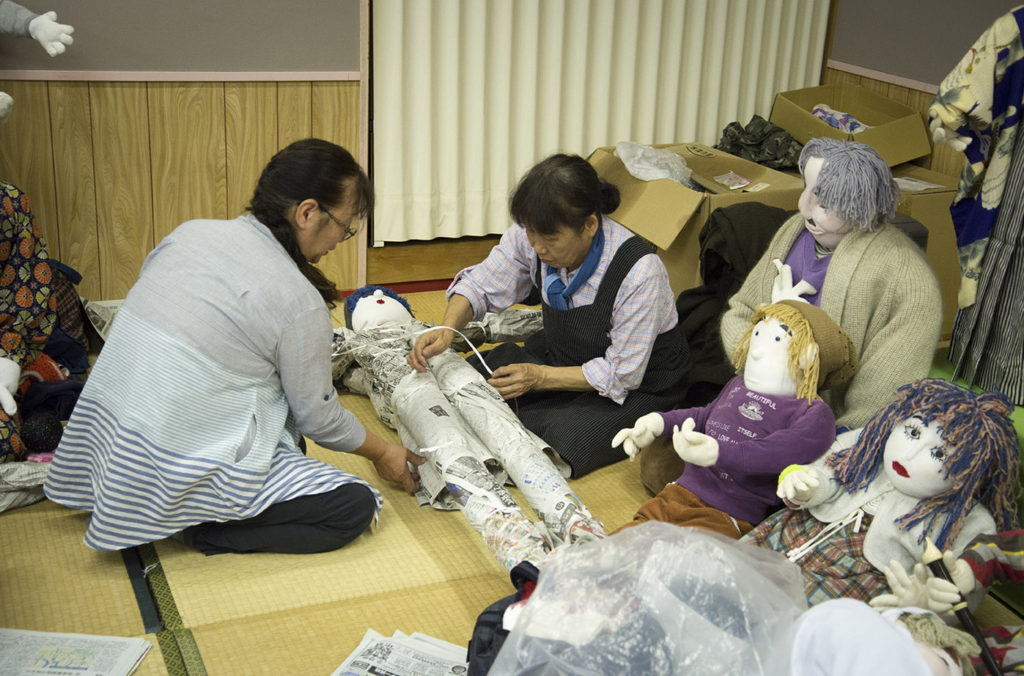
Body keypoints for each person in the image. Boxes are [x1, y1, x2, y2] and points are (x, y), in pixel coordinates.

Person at [44, 138, 423, 555]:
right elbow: (318, 419)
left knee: (275, 422)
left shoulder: (188, 233)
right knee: (353, 504)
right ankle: (199, 526)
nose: (341, 239)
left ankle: (152, 499)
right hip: (170, 464)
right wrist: (383, 451)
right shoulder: (299, 303)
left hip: (111, 443)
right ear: (307, 212)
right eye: (345, 226)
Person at [407, 153, 689, 477]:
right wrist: (447, 328)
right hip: (563, 354)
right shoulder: (535, 234)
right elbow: (482, 283)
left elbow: (621, 374)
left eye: (550, 239)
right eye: (531, 235)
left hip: (638, 383)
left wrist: (538, 378)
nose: (538, 248)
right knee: (471, 383)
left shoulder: (639, 272)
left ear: (590, 225)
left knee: (558, 438)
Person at [335, 285, 604, 571]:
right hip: (407, 388)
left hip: (457, 374)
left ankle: (575, 522)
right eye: (365, 300)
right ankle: (516, 542)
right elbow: (320, 366)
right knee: (447, 444)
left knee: (506, 430)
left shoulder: (432, 328)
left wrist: (554, 319)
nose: (376, 298)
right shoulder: (353, 340)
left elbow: (488, 326)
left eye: (384, 297)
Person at [720, 137, 942, 432]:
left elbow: (889, 379)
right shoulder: (793, 232)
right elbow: (742, 309)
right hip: (758, 401)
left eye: (824, 202)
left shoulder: (906, 275)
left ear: (862, 204)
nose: (805, 208)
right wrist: (758, 361)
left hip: (830, 428)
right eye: (806, 190)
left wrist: (839, 438)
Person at [744, 378, 1020, 607]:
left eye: (938, 453)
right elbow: (830, 467)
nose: (910, 455)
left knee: (790, 618)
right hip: (799, 529)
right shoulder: (870, 443)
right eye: (912, 432)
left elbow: (961, 593)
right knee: (729, 570)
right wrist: (809, 485)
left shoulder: (970, 519)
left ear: (972, 468)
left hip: (864, 576)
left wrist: (926, 603)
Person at [612, 300, 856, 538]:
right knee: (625, 540)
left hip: (728, 514)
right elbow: (703, 415)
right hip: (678, 492)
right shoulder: (737, 385)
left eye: (777, 339)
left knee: (682, 564)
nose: (757, 351)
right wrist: (656, 424)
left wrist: (720, 453)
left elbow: (775, 452)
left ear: (808, 355)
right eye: (758, 335)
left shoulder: (813, 413)